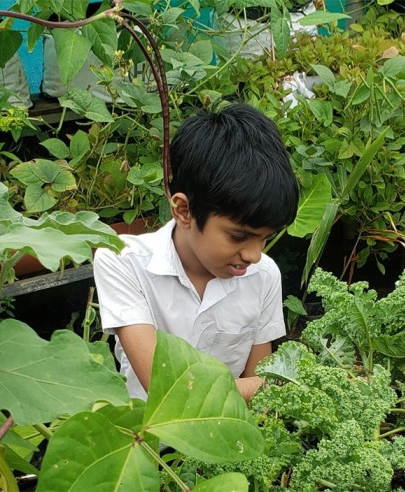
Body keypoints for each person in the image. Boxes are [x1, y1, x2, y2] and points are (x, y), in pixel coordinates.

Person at [93, 103, 300, 402]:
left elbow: (261, 386)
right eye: (239, 236)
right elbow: (166, 389)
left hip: (225, 440)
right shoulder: (124, 262)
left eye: (265, 238)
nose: (254, 254)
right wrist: (274, 386)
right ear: (184, 210)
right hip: (147, 443)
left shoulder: (264, 275)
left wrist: (261, 388)